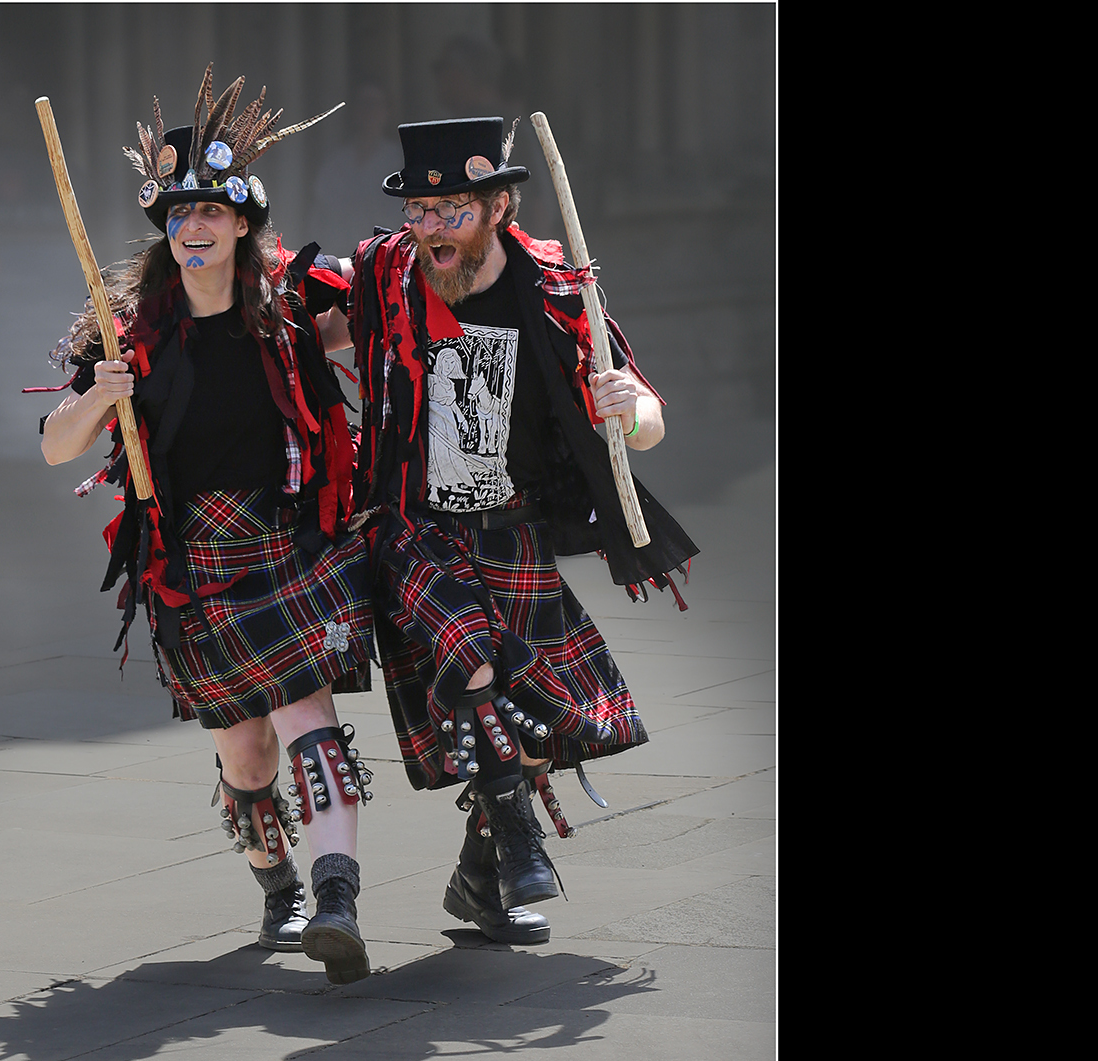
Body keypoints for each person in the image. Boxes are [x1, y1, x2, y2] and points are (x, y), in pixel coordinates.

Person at [39, 68, 377, 984]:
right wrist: (98, 401)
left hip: (289, 542)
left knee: (310, 709)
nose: (194, 228)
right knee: (247, 745)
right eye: (179, 214)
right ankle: (280, 885)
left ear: (242, 225)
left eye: (213, 213)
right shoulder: (127, 334)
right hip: (192, 562)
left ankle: (337, 894)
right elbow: (54, 447)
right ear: (166, 229)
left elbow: (381, 328)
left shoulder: (292, 310)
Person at [344, 118, 701, 945]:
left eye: (452, 211)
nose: (430, 230)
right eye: (420, 211)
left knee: (543, 718)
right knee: (475, 661)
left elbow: (645, 412)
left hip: (509, 525)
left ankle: (478, 878)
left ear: (500, 205)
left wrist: (632, 413)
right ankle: (520, 838)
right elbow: (288, 323)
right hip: (408, 523)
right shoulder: (381, 274)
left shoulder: (556, 291)